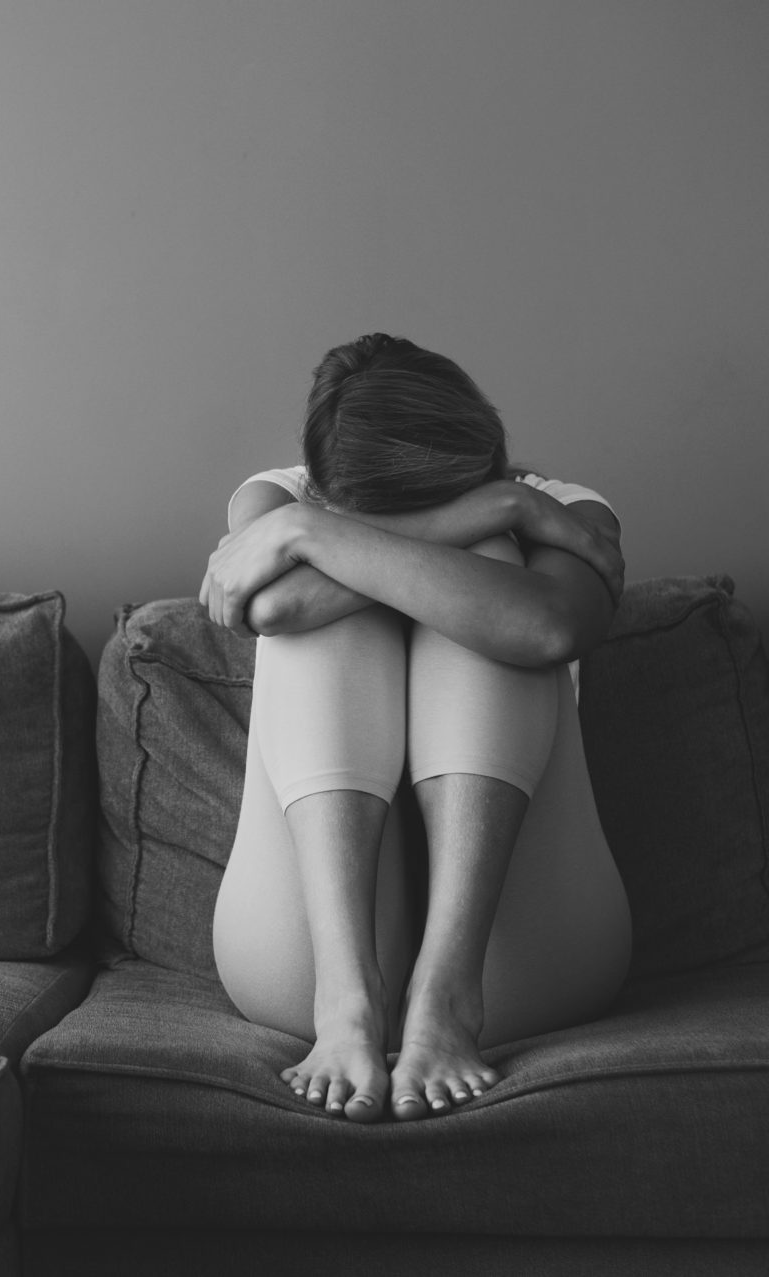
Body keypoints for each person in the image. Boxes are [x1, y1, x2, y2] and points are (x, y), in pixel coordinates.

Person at [199, 333, 632, 1124]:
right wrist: (491, 510)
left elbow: (545, 628)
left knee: (494, 583)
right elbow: (276, 610)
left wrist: (320, 539)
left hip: (521, 961)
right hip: (297, 961)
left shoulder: (568, 505)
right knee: (337, 619)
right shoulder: (278, 498)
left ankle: (445, 992)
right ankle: (348, 1000)